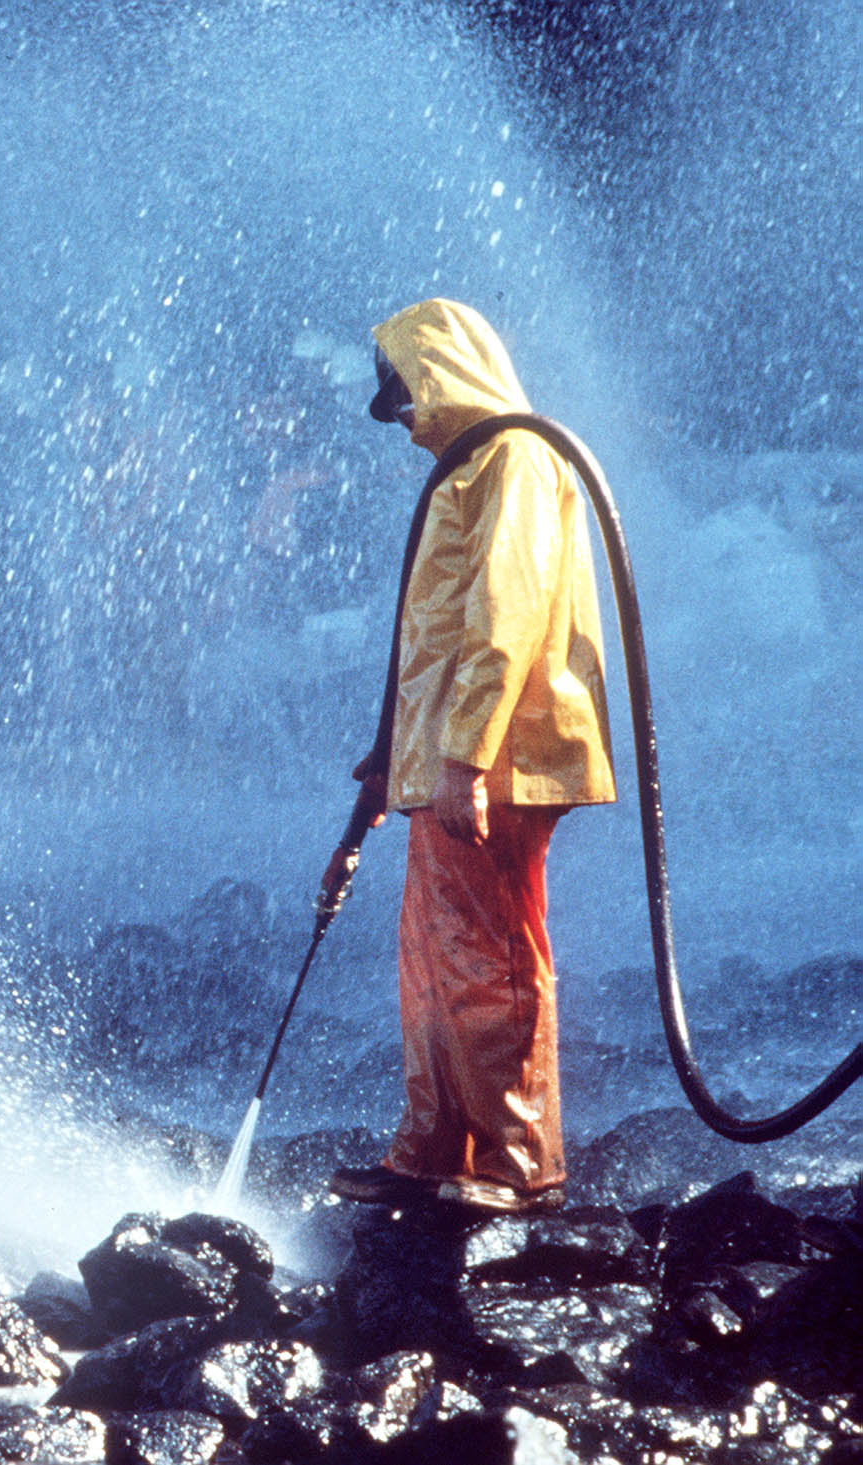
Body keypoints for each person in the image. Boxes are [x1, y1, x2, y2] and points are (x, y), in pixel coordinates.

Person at [327, 298, 617, 1216]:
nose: (403, 419)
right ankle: (434, 1146)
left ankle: (520, 1160)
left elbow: (506, 615)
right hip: (448, 765)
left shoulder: (516, 458)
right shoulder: (469, 472)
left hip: (497, 762)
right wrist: (394, 765)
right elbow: (433, 642)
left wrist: (465, 760)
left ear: (441, 372)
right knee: (436, 954)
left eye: (405, 396)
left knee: (490, 952)